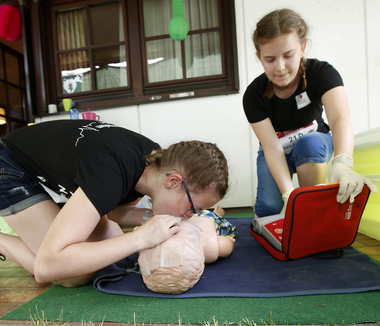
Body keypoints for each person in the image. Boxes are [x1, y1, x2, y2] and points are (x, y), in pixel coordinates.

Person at [0, 119, 229, 287]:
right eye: (192, 208)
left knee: (109, 244)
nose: (189, 216)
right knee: (71, 274)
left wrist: (149, 218)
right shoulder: (111, 172)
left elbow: (112, 210)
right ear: (173, 181)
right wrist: (140, 238)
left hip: (45, 170)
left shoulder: (152, 164)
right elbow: (46, 267)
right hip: (9, 165)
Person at [243, 9, 377, 217]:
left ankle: (312, 209)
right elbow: (271, 148)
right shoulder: (253, 95)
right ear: (259, 57)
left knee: (310, 144)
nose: (280, 67)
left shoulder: (322, 73)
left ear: (303, 47)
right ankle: (284, 202)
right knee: (269, 208)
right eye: (270, 59)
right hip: (276, 151)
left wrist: (342, 163)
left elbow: (339, 119)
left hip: (315, 144)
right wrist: (289, 194)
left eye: (288, 55)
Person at [137, 208, 237, 294]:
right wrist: (229, 240)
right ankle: (216, 213)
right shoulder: (208, 247)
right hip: (208, 217)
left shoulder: (151, 241)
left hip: (182, 212)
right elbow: (226, 245)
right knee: (221, 223)